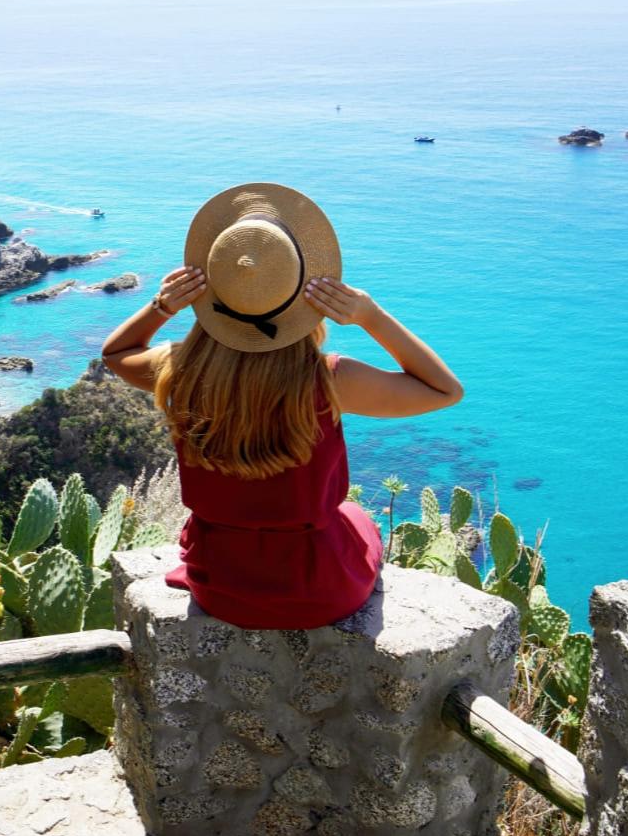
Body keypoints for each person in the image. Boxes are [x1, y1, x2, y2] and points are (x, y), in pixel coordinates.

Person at [99, 183, 463, 629]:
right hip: (318, 589)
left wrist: (161, 306)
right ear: (303, 294)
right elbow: (445, 390)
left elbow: (115, 354)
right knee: (352, 516)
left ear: (211, 289)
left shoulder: (180, 370)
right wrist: (371, 316)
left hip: (220, 583)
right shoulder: (330, 380)